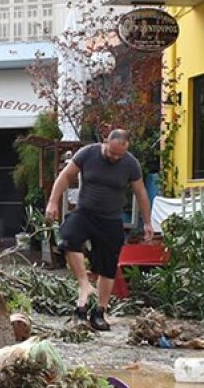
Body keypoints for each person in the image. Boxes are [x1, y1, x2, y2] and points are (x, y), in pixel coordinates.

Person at [45, 129, 152, 331]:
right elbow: (65, 177)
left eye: (119, 155)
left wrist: (147, 222)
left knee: (108, 266)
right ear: (105, 142)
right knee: (68, 237)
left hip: (111, 219)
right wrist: (52, 202)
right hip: (85, 213)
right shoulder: (88, 153)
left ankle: (99, 312)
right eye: (112, 153)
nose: (115, 158)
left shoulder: (130, 163)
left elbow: (141, 193)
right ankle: (84, 285)